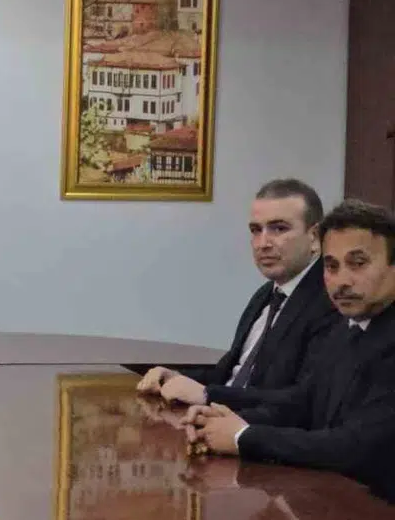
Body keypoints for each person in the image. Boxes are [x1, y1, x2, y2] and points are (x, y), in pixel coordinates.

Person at [185, 199, 395, 501]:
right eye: (332, 266)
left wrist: (243, 437)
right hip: (331, 502)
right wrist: (220, 419)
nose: (341, 281)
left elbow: (354, 447)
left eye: (358, 263)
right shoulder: (345, 327)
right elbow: (302, 402)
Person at [137, 179, 335, 409]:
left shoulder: (330, 301)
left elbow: (303, 401)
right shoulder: (266, 295)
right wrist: (174, 377)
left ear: (314, 237)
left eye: (279, 229)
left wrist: (208, 395)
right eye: (256, 230)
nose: (262, 243)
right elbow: (229, 374)